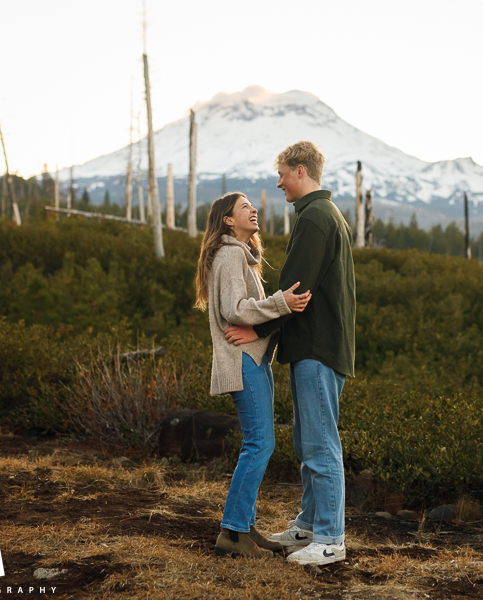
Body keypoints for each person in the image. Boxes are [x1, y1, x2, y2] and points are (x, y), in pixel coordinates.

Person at [224, 141, 355, 566]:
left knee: (320, 445)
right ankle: (309, 525)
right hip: (312, 346)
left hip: (317, 347)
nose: (278, 182)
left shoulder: (316, 218)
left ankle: (330, 539)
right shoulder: (320, 215)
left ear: (300, 171)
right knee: (307, 440)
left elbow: (294, 290)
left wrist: (255, 329)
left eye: (282, 173)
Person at [195, 191, 311, 559]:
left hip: (252, 358)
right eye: (244, 207)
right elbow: (235, 309)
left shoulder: (240, 255)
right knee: (259, 444)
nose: (253, 209)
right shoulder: (230, 254)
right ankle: (232, 534)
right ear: (228, 220)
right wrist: (282, 303)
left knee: (259, 442)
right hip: (243, 360)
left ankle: (244, 527)